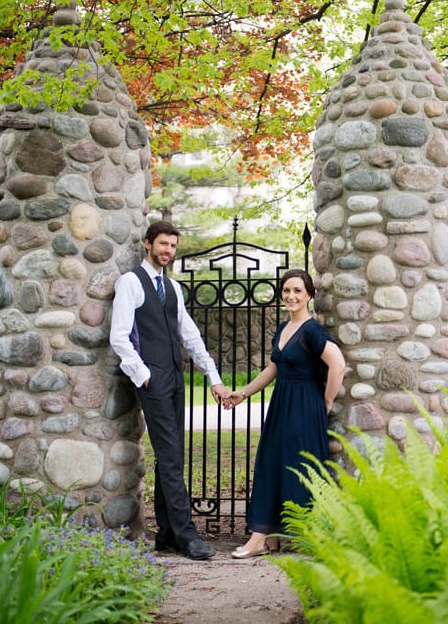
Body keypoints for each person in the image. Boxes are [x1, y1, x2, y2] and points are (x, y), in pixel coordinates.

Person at [110, 220, 229, 560]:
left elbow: (190, 335)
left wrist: (213, 377)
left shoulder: (173, 288)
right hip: (153, 380)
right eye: (163, 244)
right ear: (147, 244)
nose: (168, 251)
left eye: (173, 246)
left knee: (170, 457)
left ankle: (166, 534)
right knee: (172, 459)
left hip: (176, 380)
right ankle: (187, 535)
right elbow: (119, 336)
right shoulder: (130, 283)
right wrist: (142, 374)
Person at [222, 268, 345, 558]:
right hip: (281, 405)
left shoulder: (312, 330)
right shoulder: (282, 328)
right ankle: (271, 538)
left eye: (297, 291)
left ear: (309, 296)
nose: (291, 296)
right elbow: (274, 368)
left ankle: (262, 539)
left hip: (305, 408)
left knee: (295, 469)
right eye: (287, 290)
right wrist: (243, 393)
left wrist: (325, 402)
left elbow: (337, 365)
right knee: (271, 464)